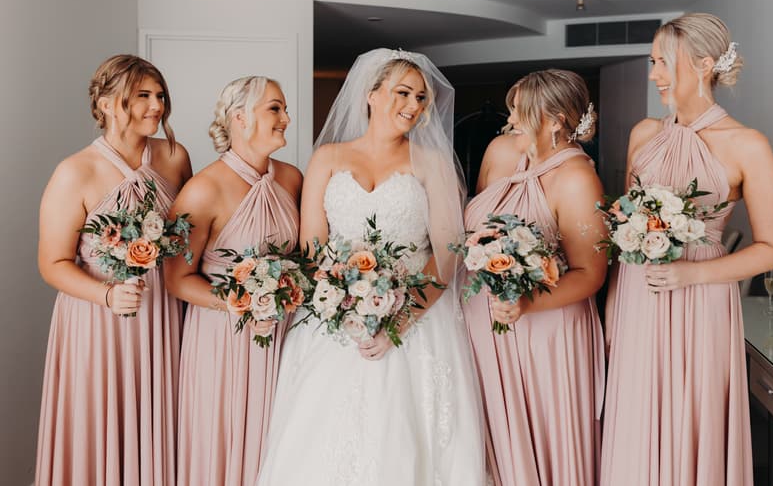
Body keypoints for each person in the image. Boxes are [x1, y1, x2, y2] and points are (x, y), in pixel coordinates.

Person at [258, 49, 485, 485]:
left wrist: (400, 319)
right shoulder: (327, 157)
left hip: (416, 320)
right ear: (371, 95)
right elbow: (312, 247)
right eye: (403, 93)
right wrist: (341, 304)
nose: (414, 106)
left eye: (421, 98)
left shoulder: (432, 163)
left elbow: (447, 253)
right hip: (332, 320)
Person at [601, 12, 773, 486]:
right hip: (637, 298)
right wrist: (612, 309)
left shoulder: (747, 144)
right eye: (652, 62)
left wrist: (692, 275)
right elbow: (626, 223)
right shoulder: (643, 135)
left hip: (701, 299)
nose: (653, 74)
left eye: (662, 62)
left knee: (693, 415)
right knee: (635, 414)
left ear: (704, 64)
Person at [36, 54, 192, 485]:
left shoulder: (174, 158)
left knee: (159, 420)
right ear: (106, 103)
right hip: (98, 320)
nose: (156, 105)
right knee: (100, 423)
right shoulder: (75, 172)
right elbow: (52, 263)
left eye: (159, 95)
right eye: (142, 96)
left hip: (161, 315)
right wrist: (107, 295)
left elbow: (188, 239)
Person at [463, 69, 606, 485]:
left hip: (544, 331)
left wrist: (526, 302)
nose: (510, 119)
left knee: (544, 443)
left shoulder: (578, 179)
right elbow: (478, 232)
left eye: (519, 110)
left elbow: (590, 274)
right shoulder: (502, 152)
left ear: (556, 119)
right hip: (484, 326)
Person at [164, 76, 301, 486]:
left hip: (284, 335)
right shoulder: (202, 190)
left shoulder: (292, 179)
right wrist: (240, 302)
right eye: (274, 108)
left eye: (284, 108)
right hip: (222, 338)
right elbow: (177, 279)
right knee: (222, 442)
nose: (286, 118)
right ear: (240, 117)